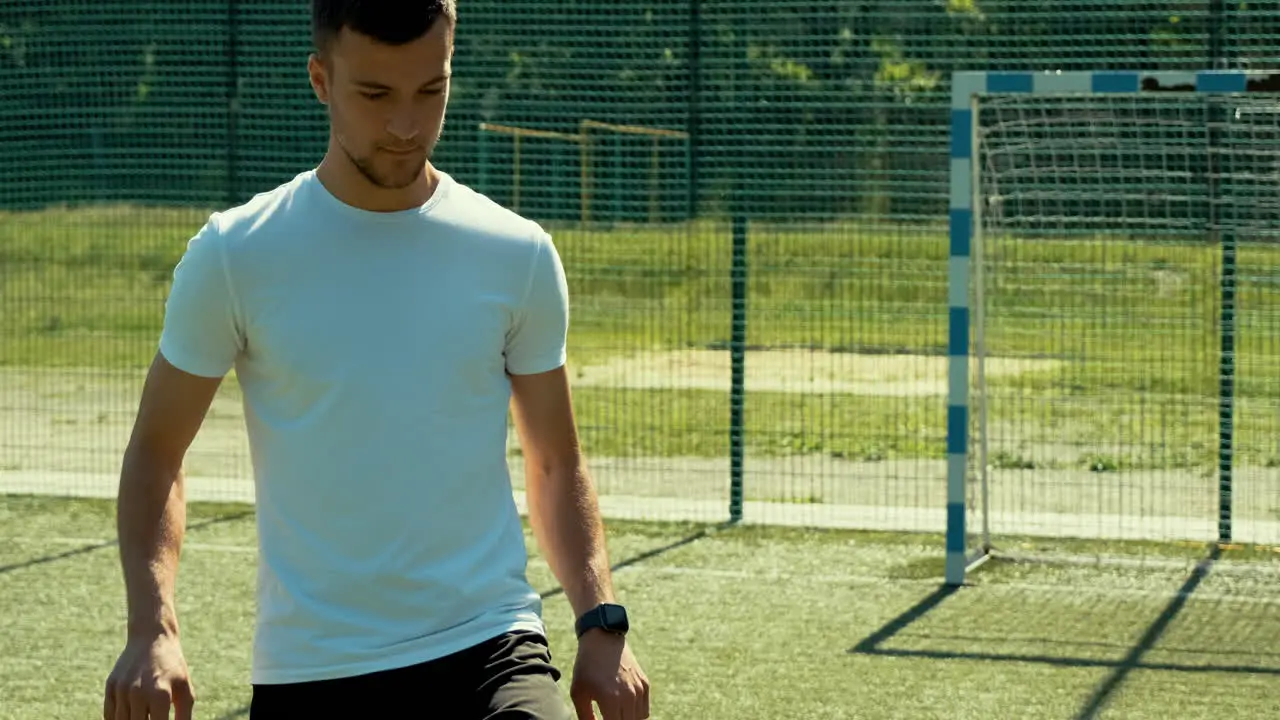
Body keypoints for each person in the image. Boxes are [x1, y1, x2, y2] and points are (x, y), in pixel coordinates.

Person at [102, 2, 651, 718]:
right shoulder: (236, 255)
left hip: (491, 646)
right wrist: (154, 628)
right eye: (375, 95)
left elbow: (555, 462)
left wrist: (600, 621)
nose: (406, 125)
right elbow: (156, 452)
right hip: (314, 670)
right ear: (320, 79)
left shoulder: (515, 253)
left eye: (431, 90)